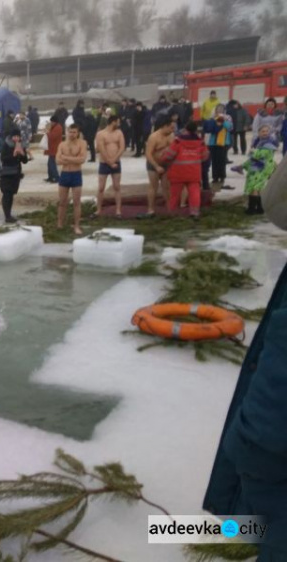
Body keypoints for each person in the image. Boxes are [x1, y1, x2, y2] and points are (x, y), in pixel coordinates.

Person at [203, 155, 287, 559]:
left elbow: (277, 203)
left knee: (271, 532)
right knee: (262, 527)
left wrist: (248, 447)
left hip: (270, 456)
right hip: (268, 453)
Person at [160, 120, 209, 219]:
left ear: (186, 129)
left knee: (174, 194)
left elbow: (168, 156)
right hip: (194, 172)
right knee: (194, 192)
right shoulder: (200, 142)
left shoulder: (178, 141)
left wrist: (163, 156)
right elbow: (205, 156)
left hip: (178, 173)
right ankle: (194, 212)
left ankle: (172, 213)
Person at [232, 127, 278, 215]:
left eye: (266, 131)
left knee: (254, 186)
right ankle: (260, 208)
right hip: (258, 167)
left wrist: (253, 151)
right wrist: (243, 165)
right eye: (262, 131)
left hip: (262, 168)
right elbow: (253, 158)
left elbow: (260, 155)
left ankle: (251, 209)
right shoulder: (259, 142)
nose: (265, 133)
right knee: (258, 187)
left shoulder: (268, 144)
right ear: (259, 133)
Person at [139, 115, 176, 218]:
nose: (172, 130)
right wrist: (156, 166)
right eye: (171, 127)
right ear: (165, 126)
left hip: (166, 164)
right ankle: (151, 209)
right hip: (153, 163)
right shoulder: (154, 137)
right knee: (153, 186)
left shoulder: (171, 135)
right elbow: (148, 154)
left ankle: (169, 208)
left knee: (167, 187)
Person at [56, 123, 87, 235]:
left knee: (77, 202)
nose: (72, 134)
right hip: (65, 174)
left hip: (76, 174)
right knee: (62, 202)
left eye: (74, 132)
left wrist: (65, 158)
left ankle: (77, 226)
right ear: (67, 132)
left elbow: (82, 159)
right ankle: (60, 223)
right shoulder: (62, 144)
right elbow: (57, 160)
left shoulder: (82, 143)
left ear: (78, 133)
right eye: (70, 132)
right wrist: (74, 158)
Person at [94, 115, 125, 219]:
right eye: (118, 122)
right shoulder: (101, 134)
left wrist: (114, 159)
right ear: (113, 122)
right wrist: (109, 162)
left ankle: (118, 210)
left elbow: (122, 147)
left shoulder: (119, 133)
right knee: (101, 187)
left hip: (116, 162)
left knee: (117, 186)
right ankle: (98, 209)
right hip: (104, 163)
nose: (119, 124)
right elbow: (101, 149)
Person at [0, 128, 29, 223]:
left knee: (11, 194)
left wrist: (23, 154)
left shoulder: (21, 145)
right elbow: (3, 158)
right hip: (7, 173)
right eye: (14, 136)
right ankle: (7, 216)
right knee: (7, 194)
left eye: (18, 136)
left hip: (15, 174)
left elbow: (24, 161)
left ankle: (9, 214)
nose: (16, 138)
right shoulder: (6, 144)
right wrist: (14, 154)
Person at [205, 104, 233, 187]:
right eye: (218, 108)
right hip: (213, 142)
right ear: (215, 109)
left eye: (221, 108)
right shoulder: (212, 117)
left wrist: (222, 121)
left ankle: (222, 176)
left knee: (222, 160)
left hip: (223, 142)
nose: (220, 110)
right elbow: (208, 128)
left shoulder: (228, 117)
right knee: (214, 160)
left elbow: (230, 128)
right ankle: (215, 177)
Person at [44, 115, 63, 184]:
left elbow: (52, 136)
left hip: (55, 148)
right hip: (52, 148)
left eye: (51, 121)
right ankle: (51, 177)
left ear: (54, 122)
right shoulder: (55, 127)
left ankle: (56, 177)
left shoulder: (58, 128)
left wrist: (47, 132)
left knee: (52, 164)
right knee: (49, 164)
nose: (51, 123)